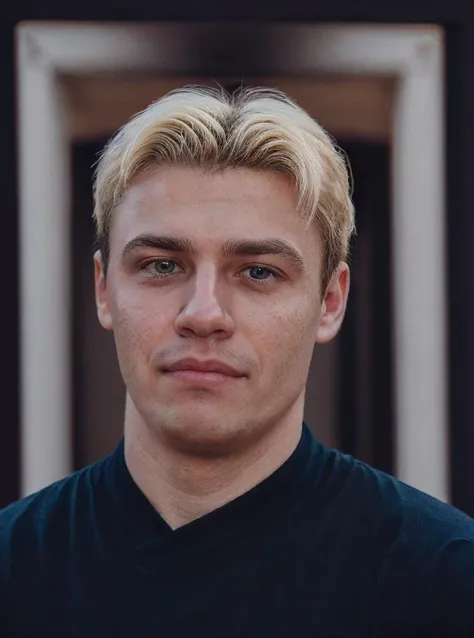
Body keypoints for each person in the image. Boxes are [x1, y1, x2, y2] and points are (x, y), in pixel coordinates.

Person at [1, 85, 473, 638]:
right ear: (104, 290)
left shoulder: (444, 579)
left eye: (258, 272)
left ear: (331, 301)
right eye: (161, 265)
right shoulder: (14, 571)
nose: (204, 314)